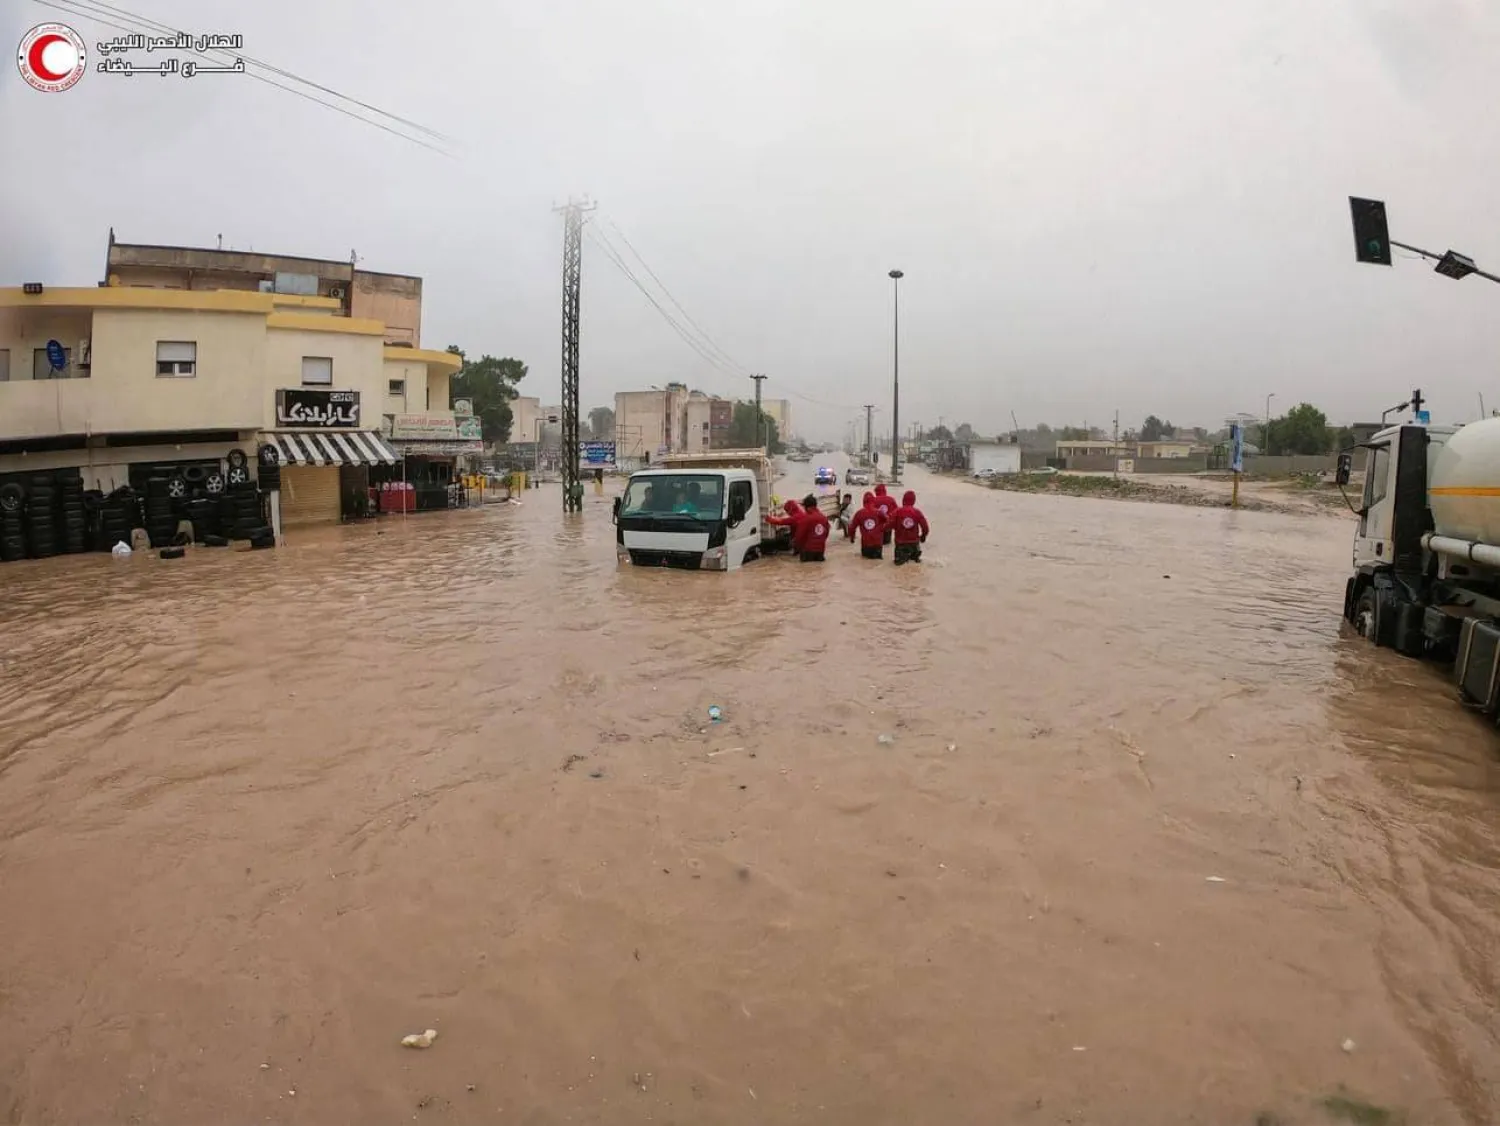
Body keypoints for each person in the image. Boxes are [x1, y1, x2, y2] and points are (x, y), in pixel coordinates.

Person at [891, 489, 929, 565]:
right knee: (915, 566)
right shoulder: (917, 512)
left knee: (899, 569)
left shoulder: (897, 511)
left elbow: (889, 525)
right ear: (914, 501)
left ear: (903, 500)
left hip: (901, 545)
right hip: (914, 544)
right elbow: (925, 528)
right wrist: (923, 536)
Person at [846, 491, 887, 559]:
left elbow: (852, 528)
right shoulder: (879, 512)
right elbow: (888, 522)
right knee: (877, 563)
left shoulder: (859, 513)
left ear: (863, 501)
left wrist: (852, 538)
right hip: (878, 544)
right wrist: (882, 530)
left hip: (866, 544)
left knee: (865, 563)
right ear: (873, 501)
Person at [794, 495, 831, 562]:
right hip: (820, 551)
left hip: (807, 552)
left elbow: (799, 536)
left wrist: (797, 547)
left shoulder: (806, 519)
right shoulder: (824, 517)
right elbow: (826, 533)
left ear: (807, 507)